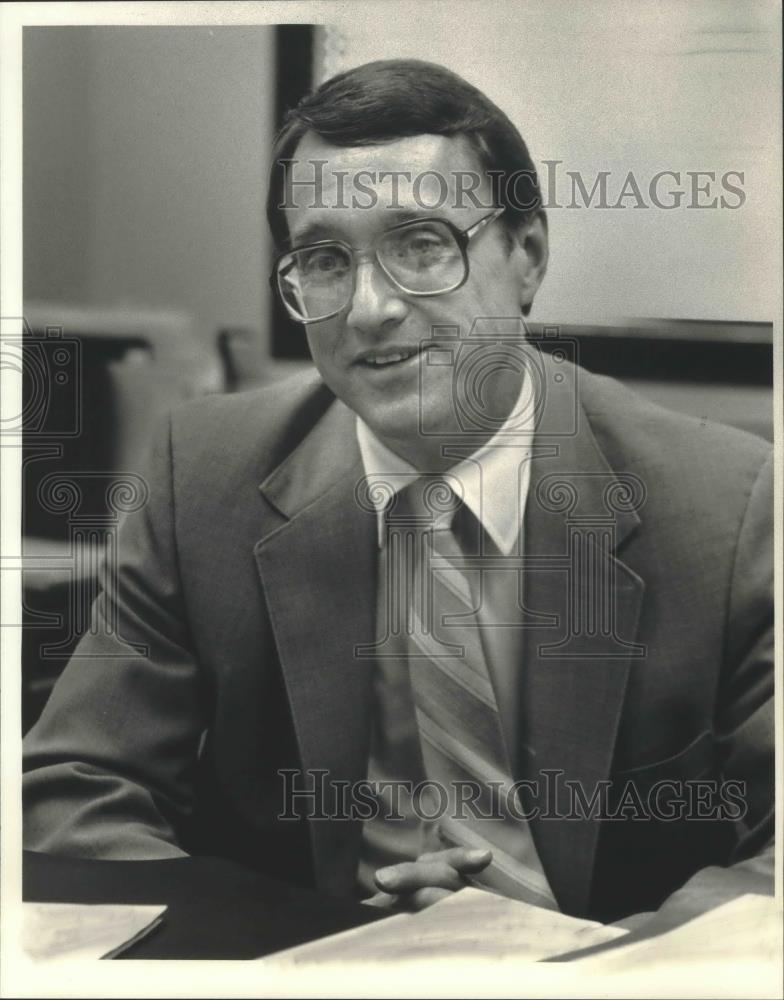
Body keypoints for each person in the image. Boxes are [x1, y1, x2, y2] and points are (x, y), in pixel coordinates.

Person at [23, 59, 773, 925]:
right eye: (324, 258)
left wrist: (581, 966)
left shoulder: (729, 504)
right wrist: (319, 945)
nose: (371, 307)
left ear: (525, 257)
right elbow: (73, 786)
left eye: (422, 244)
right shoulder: (203, 477)